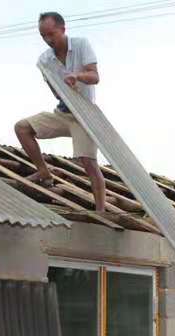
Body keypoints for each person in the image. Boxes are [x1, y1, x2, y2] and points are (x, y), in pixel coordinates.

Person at [14, 11, 107, 211]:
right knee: (22, 128)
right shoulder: (44, 60)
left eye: (51, 34)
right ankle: (43, 172)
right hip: (62, 113)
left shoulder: (81, 44)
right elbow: (56, 93)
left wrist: (77, 76)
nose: (48, 40)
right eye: (43, 36)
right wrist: (62, 91)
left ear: (63, 29)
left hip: (84, 116)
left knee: (88, 163)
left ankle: (101, 210)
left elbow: (95, 76)